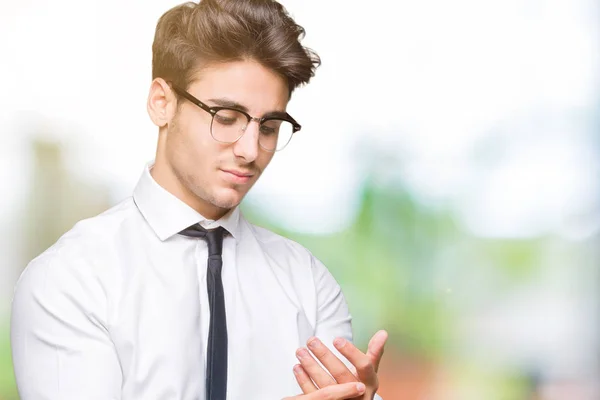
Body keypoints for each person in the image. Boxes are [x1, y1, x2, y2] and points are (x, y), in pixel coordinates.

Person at [10, 0, 388, 399]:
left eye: (270, 126)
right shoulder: (72, 279)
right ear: (162, 103)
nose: (249, 150)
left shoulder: (307, 284)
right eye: (226, 117)